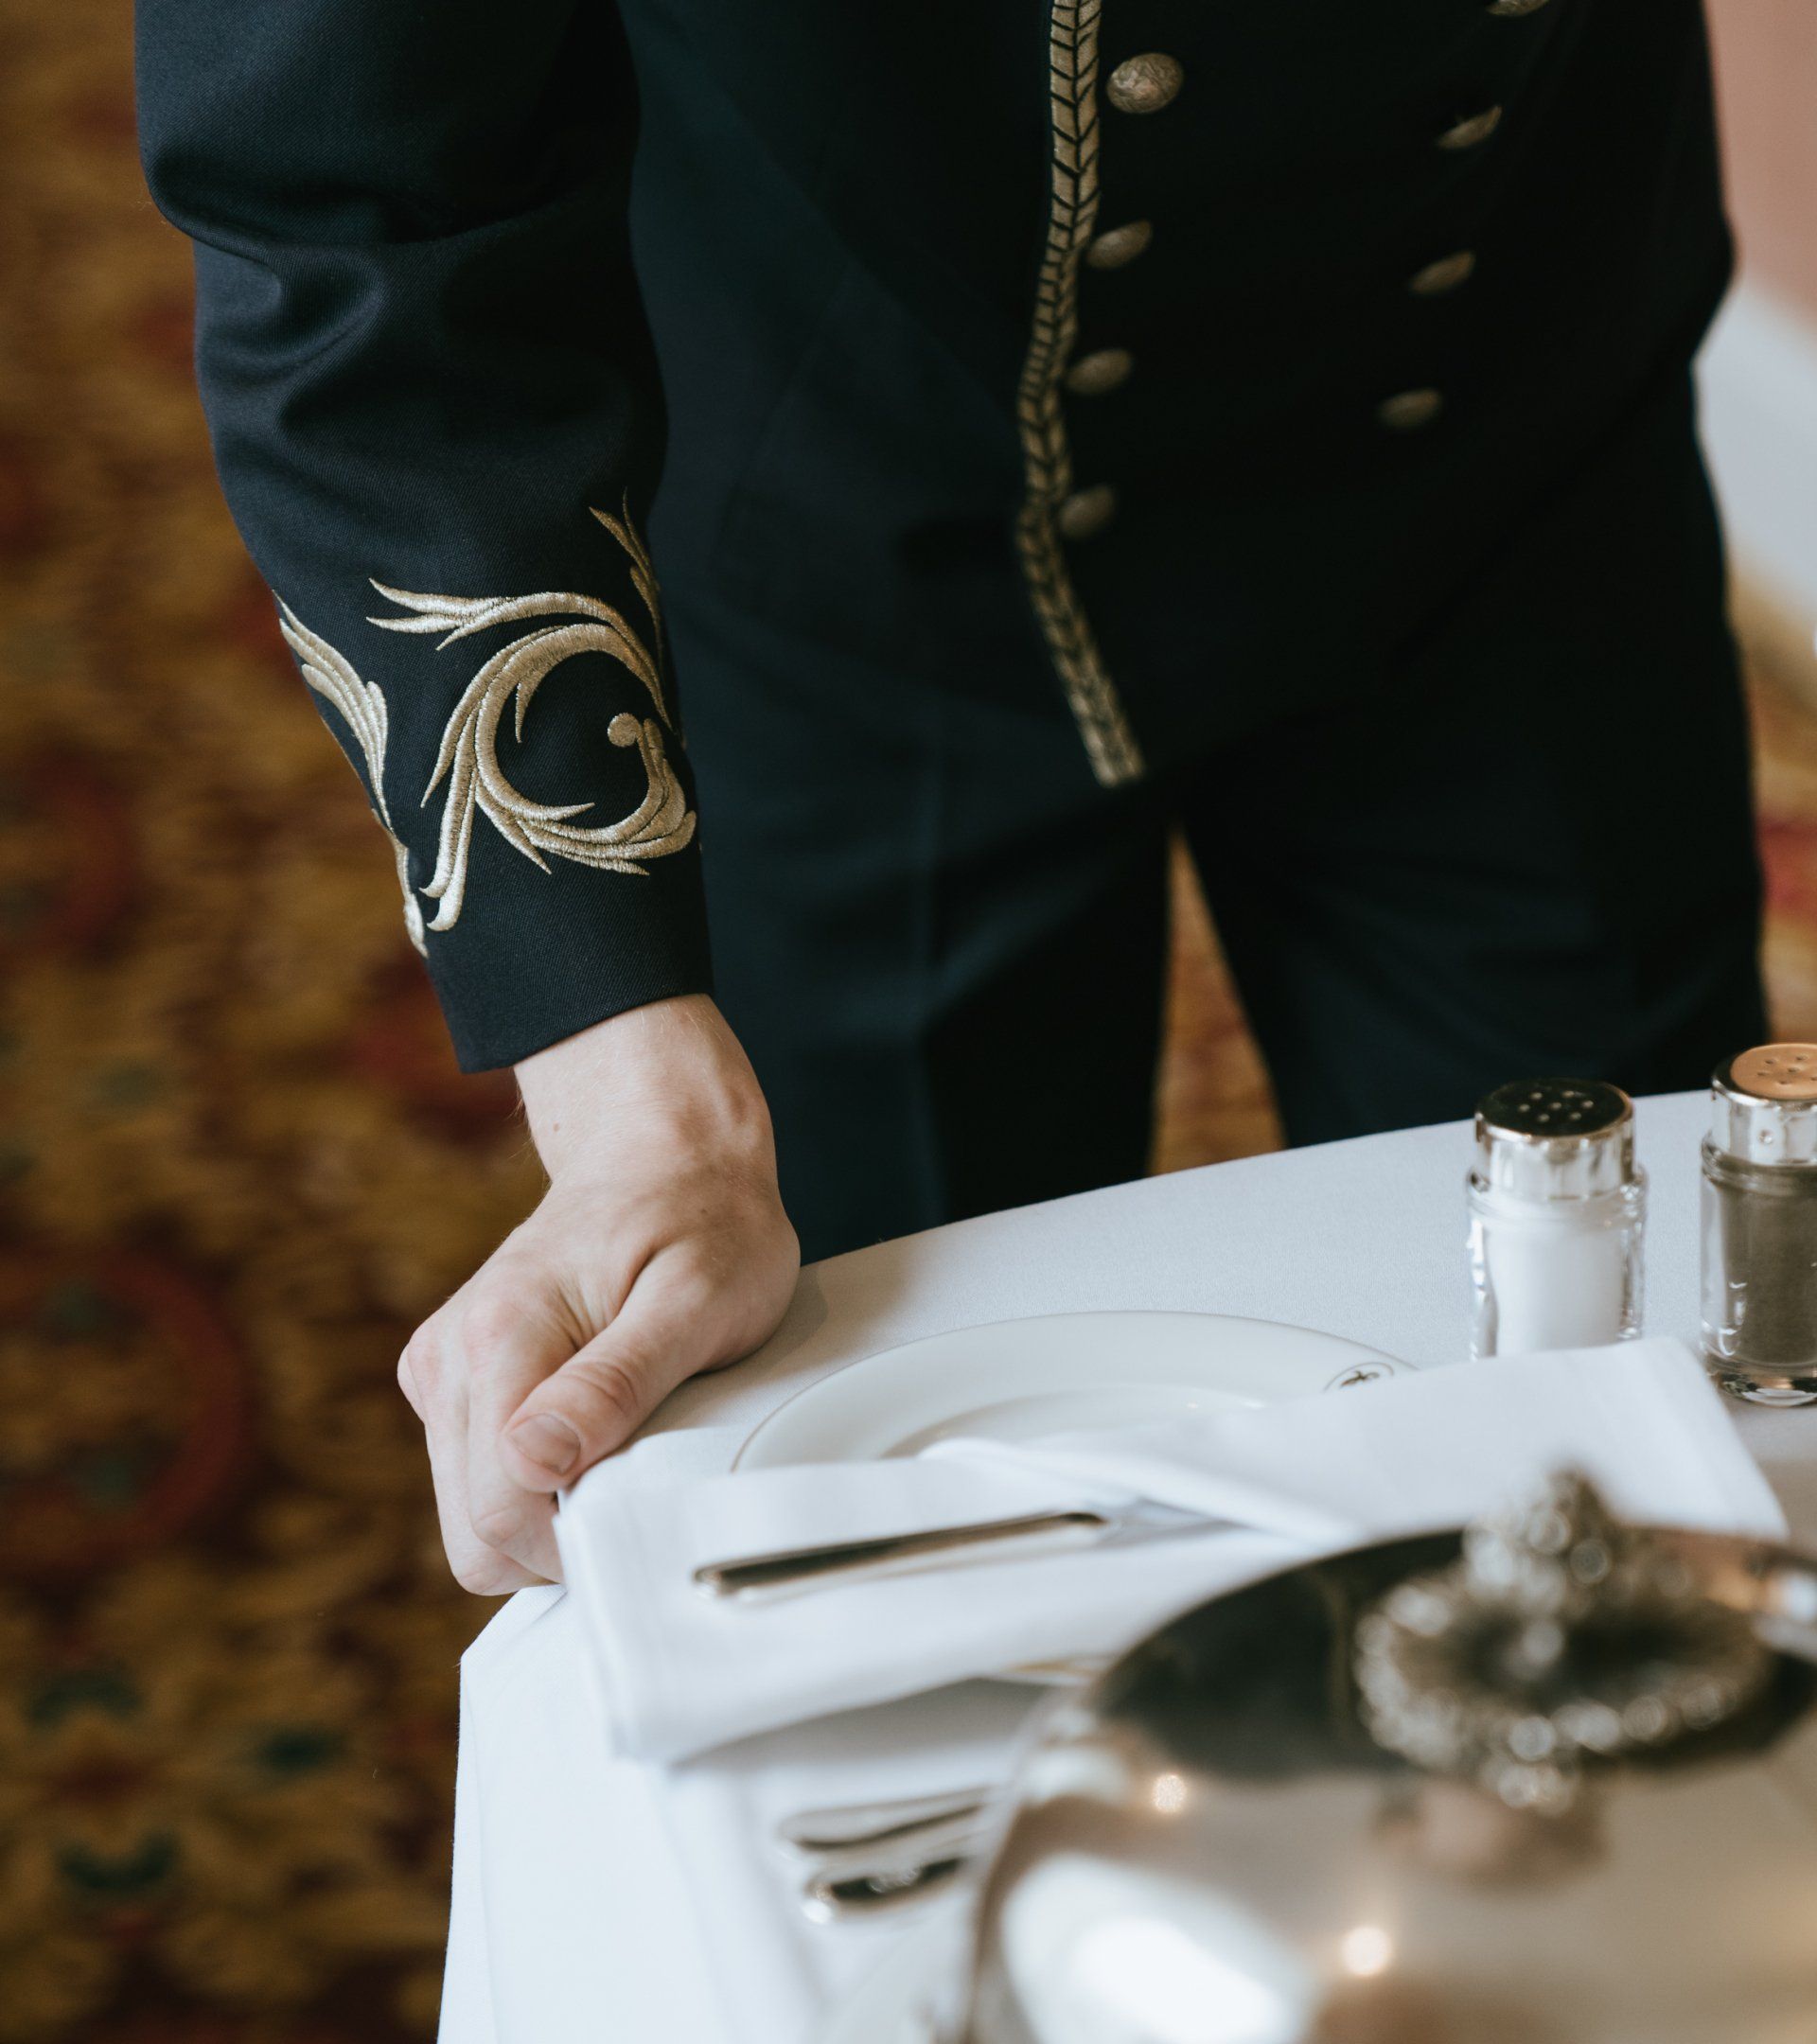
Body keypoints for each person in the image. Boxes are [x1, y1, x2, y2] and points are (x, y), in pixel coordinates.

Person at [136, 0, 1765, 1592]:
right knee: (908, 1519)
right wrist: (638, 1110)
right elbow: (349, 208)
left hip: (1504, 429)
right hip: (845, 482)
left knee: (1637, 1420)